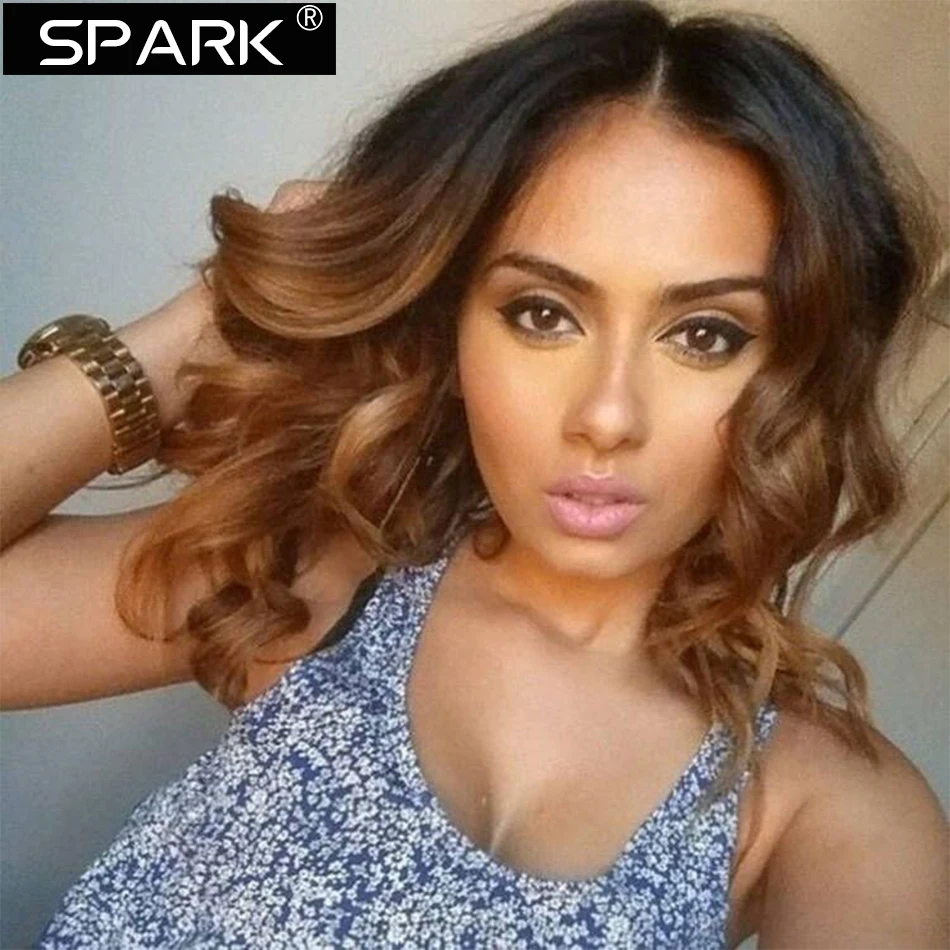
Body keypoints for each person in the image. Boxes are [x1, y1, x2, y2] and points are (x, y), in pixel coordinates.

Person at [1, 0, 947, 946]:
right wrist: (213, 320)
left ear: (799, 374)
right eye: (543, 314)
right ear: (451, 325)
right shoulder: (320, 581)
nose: (607, 416)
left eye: (705, 335)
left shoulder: (827, 810)